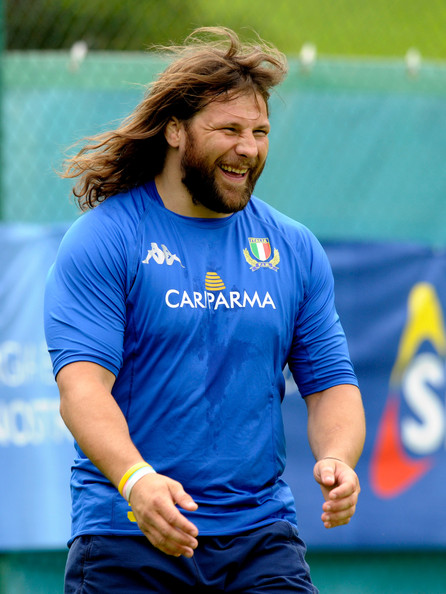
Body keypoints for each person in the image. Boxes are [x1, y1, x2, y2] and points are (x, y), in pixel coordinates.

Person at [44, 26, 366, 594]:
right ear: (175, 130)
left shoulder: (292, 248)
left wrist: (338, 457)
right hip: (128, 534)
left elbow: (332, 384)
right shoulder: (106, 238)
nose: (249, 148)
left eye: (260, 132)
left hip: (261, 538)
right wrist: (136, 480)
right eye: (230, 130)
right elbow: (82, 391)